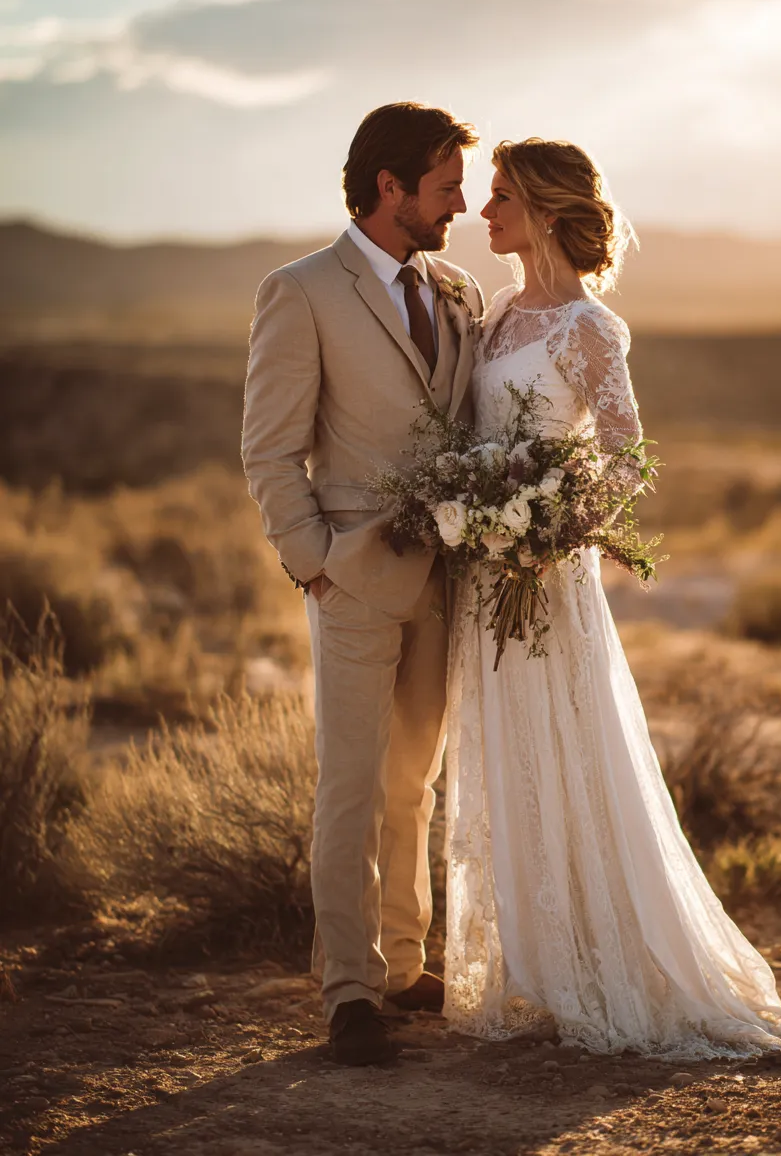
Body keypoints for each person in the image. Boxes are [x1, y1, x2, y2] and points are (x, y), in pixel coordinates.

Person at [442, 137, 781, 1058]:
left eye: (500, 196)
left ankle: (603, 962)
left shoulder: (589, 329)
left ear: (542, 210)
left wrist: (552, 530)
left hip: (548, 580)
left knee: (571, 753)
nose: (484, 211)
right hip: (485, 579)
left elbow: (625, 458)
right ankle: (534, 967)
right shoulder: (497, 315)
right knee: (510, 758)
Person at [242, 102, 482, 1066]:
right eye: (446, 185)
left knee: (412, 780)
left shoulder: (458, 289)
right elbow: (268, 450)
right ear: (390, 187)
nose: (460, 204)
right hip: (352, 576)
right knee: (348, 784)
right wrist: (316, 568)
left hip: (445, 576)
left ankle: (402, 958)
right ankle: (349, 990)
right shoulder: (300, 291)